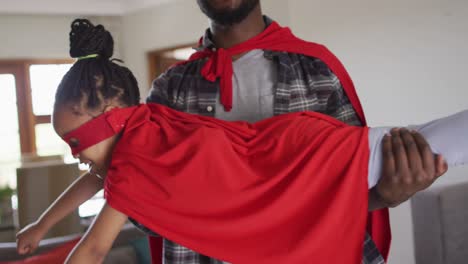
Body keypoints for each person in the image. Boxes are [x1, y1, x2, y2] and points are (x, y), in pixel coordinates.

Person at [16, 19, 464, 263]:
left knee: (421, 147)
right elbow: (99, 178)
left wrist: (388, 195)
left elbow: (93, 248)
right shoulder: (152, 111)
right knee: (424, 139)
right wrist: (42, 226)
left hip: (308, 161)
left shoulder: (133, 163)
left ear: (110, 119)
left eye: (76, 143)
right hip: (301, 146)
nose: (78, 157)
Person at [145, 0, 447, 263]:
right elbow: (145, 204)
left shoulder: (318, 70)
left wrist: (384, 194)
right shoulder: (169, 91)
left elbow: (349, 185)